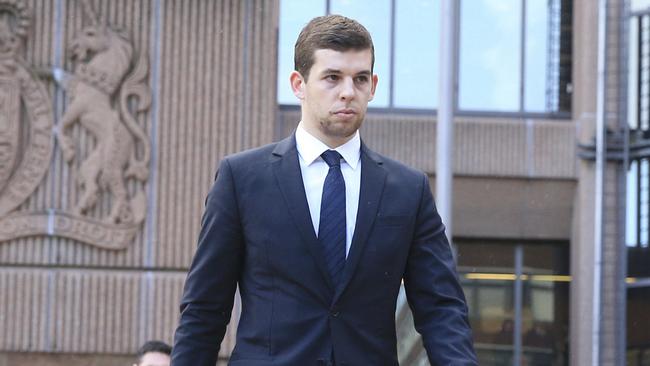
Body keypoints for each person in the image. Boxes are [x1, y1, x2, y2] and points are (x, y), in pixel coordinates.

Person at [171, 15, 477, 365]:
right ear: (298, 84)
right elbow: (205, 309)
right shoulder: (241, 179)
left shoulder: (408, 189)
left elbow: (442, 309)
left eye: (360, 79)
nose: (348, 91)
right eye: (332, 77)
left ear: (373, 86)